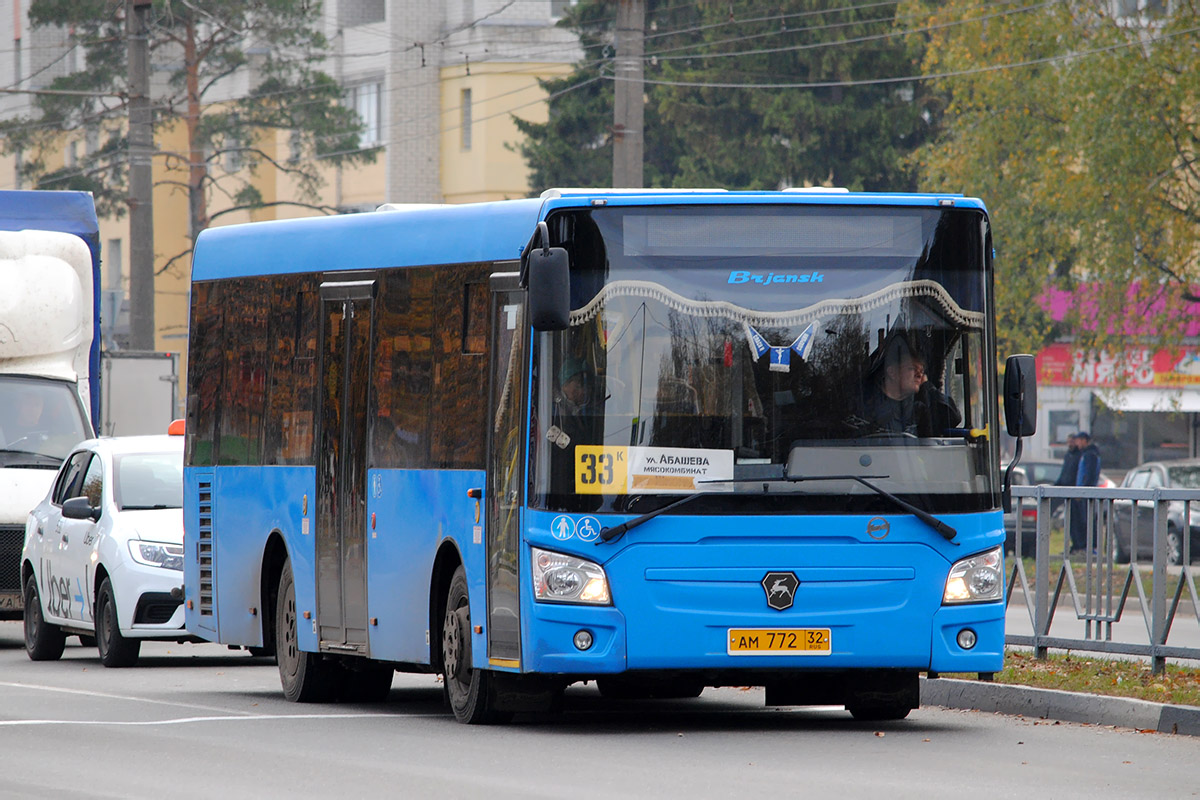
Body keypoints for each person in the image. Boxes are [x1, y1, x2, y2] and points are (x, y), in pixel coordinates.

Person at [861, 338, 924, 435]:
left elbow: (951, 419)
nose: (919, 375)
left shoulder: (922, 407)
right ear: (892, 372)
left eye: (921, 371)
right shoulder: (864, 407)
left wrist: (929, 389)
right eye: (912, 368)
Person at [1069, 431, 1102, 552]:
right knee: (1083, 520)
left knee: (1087, 520)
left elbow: (1088, 475)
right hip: (1083, 492)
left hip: (1086, 493)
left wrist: (1083, 490)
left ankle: (1091, 546)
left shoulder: (1090, 455)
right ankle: (1083, 545)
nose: (1076, 443)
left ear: (1084, 440)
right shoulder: (1086, 454)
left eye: (1078, 440)